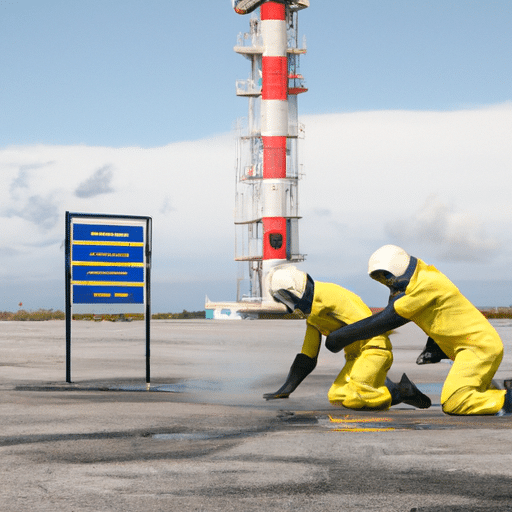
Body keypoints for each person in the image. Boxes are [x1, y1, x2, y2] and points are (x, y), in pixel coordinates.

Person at [325, 244, 512, 416]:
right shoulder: (421, 277)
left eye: (387, 276)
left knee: (455, 401)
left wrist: (338, 338)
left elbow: (384, 320)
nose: (386, 283)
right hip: (471, 347)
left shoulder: (425, 286)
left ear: (399, 269)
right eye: (381, 279)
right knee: (476, 392)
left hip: (478, 348)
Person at [264, 265, 431, 410]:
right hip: (355, 358)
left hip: (374, 349)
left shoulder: (329, 295)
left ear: (294, 293)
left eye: (286, 299)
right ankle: (390, 387)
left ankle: (395, 392)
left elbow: (368, 324)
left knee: (355, 396)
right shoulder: (313, 316)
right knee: (336, 396)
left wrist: (337, 338)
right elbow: (308, 356)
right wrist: (286, 389)